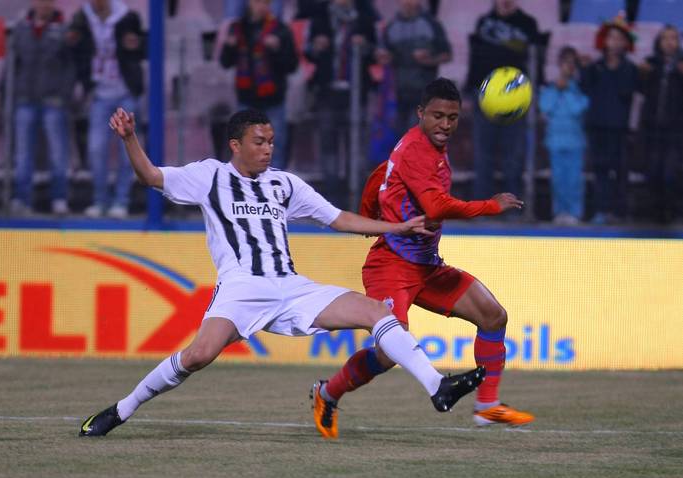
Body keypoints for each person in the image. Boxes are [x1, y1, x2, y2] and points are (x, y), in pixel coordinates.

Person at [79, 108, 486, 437]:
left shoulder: (284, 185)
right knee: (198, 355)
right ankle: (122, 409)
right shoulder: (209, 177)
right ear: (235, 145)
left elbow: (338, 218)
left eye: (272, 141)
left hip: (291, 287)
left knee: (378, 313)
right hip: (242, 289)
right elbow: (151, 176)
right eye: (259, 142)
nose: (268, 149)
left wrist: (395, 227)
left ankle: (437, 387)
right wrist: (130, 138)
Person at [310, 78, 534, 440]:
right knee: (388, 351)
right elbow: (435, 206)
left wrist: (376, 212)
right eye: (437, 116)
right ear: (420, 114)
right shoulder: (416, 149)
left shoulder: (425, 151)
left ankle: (486, 407)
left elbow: (379, 179)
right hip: (391, 267)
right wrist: (490, 206)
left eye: (453, 117)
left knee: (494, 315)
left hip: (427, 267)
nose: (445, 125)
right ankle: (327, 393)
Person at [69, 0, 145, 219]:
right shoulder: (82, 18)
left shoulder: (128, 17)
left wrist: (135, 45)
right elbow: (75, 50)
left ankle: (121, 201)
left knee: (126, 152)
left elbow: (142, 49)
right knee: (96, 149)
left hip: (125, 93)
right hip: (99, 94)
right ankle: (100, 200)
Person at [465, 0, 540, 204]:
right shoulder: (484, 22)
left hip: (517, 101)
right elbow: (475, 59)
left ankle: (511, 207)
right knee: (483, 155)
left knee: (513, 157)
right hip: (483, 98)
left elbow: (536, 64)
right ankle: (481, 207)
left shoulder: (528, 24)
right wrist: (467, 92)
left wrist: (536, 94)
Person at [304, 0, 376, 209]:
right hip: (327, 92)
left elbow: (376, 54)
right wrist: (316, 47)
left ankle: (357, 199)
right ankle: (331, 201)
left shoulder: (365, 18)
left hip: (357, 93)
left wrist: (365, 47)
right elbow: (307, 52)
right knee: (328, 147)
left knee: (357, 149)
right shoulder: (320, 19)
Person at [10, 0, 74, 216]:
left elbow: (70, 66)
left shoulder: (64, 30)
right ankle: (22, 200)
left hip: (53, 101)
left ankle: (59, 198)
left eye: (47, 1)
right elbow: (13, 65)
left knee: (58, 154)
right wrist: (8, 95)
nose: (43, 5)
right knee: (23, 155)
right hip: (25, 99)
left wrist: (64, 96)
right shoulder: (21, 28)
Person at [220, 0, 299, 170]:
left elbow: (292, 64)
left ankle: (273, 189)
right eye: (257, 2)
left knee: (273, 149)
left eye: (265, 2)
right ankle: (246, 188)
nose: (261, 6)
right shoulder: (238, 29)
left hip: (273, 100)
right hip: (246, 100)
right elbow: (225, 62)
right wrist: (229, 46)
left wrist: (277, 49)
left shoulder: (280, 29)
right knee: (244, 148)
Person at [580, 14, 638, 224]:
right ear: (604, 40)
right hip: (597, 127)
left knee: (620, 171)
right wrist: (582, 68)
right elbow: (584, 88)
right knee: (600, 170)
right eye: (611, 37)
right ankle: (601, 211)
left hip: (620, 129)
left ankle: (620, 212)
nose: (614, 42)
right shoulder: (594, 68)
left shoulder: (631, 70)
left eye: (619, 38)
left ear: (626, 43)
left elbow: (632, 98)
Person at [376, 0, 452, 131]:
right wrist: (384, 57)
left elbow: (447, 54)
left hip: (425, 95)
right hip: (399, 95)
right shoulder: (391, 26)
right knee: (401, 138)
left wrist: (428, 59)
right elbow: (383, 56)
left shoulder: (432, 24)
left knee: (421, 137)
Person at [539, 46, 589, 226]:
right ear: (559, 64)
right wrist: (558, 89)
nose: (568, 67)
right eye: (565, 62)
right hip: (555, 142)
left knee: (574, 180)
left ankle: (575, 212)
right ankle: (559, 212)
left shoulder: (580, 89)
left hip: (575, 142)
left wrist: (567, 90)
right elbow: (545, 107)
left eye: (571, 63)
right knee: (558, 180)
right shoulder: (550, 88)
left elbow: (578, 109)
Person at [638, 25, 683, 224]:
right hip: (652, 128)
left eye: (673, 38)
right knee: (653, 171)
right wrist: (643, 74)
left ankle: (671, 210)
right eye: (665, 38)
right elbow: (639, 90)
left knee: (670, 172)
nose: (669, 42)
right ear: (659, 42)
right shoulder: (650, 64)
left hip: (675, 129)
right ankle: (654, 211)